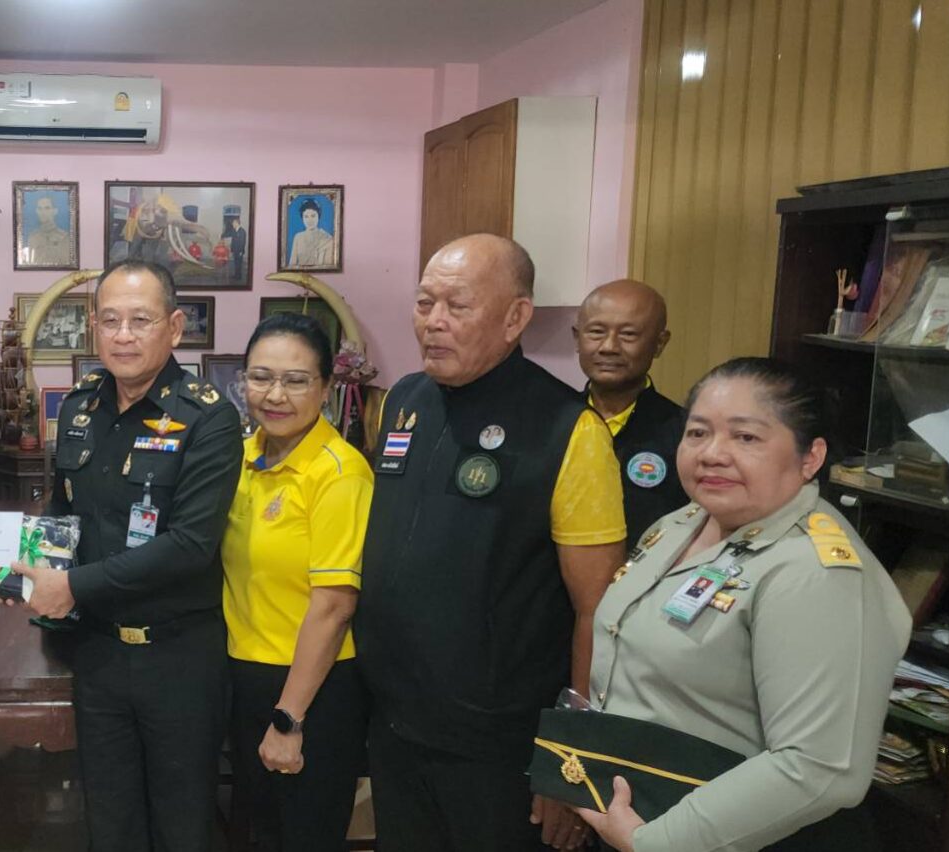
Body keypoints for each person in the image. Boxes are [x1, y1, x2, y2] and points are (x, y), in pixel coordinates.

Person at [355, 233, 627, 851]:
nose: (434, 322)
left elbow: (599, 611)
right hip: (396, 723)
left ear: (515, 317)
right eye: (424, 303)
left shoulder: (569, 430)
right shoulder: (404, 400)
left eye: (458, 306)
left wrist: (569, 759)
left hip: (499, 745)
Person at [576, 357, 910, 851]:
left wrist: (655, 842)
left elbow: (819, 767)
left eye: (746, 437)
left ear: (810, 457)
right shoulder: (681, 524)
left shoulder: (814, 572)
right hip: (642, 810)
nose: (712, 454)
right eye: (697, 433)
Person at [14, 259, 243, 851]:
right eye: (110, 320)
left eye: (140, 320)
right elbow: (63, 513)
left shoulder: (209, 417)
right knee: (110, 823)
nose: (122, 335)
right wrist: (14, 561)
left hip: (179, 659)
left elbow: (191, 546)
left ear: (174, 327)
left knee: (182, 827)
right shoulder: (80, 407)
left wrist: (73, 587)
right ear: (93, 326)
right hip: (98, 653)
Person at [221, 312, 371, 850]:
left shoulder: (339, 472)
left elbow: (334, 607)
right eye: (261, 377)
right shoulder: (241, 457)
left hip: (311, 688)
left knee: (303, 836)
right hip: (246, 673)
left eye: (296, 380)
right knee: (260, 832)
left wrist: (289, 719)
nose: (275, 395)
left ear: (327, 388)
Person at [574, 279, 689, 539]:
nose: (609, 347)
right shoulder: (551, 421)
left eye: (628, 334)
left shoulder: (685, 433)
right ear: (577, 338)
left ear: (660, 343)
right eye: (596, 332)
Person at [25, 193, 74, 266]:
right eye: (40, 208)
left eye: (47, 208)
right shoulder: (32, 237)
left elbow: (68, 264)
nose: (43, 212)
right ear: (37, 211)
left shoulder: (64, 237)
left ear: (55, 211)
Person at [287, 199, 337, 268]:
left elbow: (328, 267)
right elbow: (291, 265)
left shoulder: (327, 239)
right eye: (306, 216)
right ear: (302, 218)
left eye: (313, 216)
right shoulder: (298, 237)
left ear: (318, 216)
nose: (309, 220)